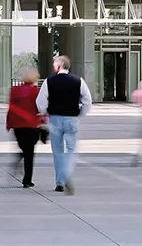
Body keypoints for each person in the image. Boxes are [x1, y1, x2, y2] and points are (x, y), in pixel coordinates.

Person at [36, 54, 92, 194]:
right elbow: (87, 100)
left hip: (55, 118)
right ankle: (66, 174)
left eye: (55, 64)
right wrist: (80, 113)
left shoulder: (49, 81)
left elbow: (40, 102)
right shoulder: (78, 81)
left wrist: (46, 111)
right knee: (71, 150)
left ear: (59, 66)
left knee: (58, 152)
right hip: (72, 118)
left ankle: (59, 182)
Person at [6, 67, 44, 188]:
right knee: (30, 153)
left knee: (24, 148)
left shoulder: (14, 90)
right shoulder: (36, 92)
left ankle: (20, 156)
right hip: (31, 126)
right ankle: (27, 180)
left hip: (18, 126)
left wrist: (9, 123)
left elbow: (11, 107)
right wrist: (43, 121)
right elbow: (41, 108)